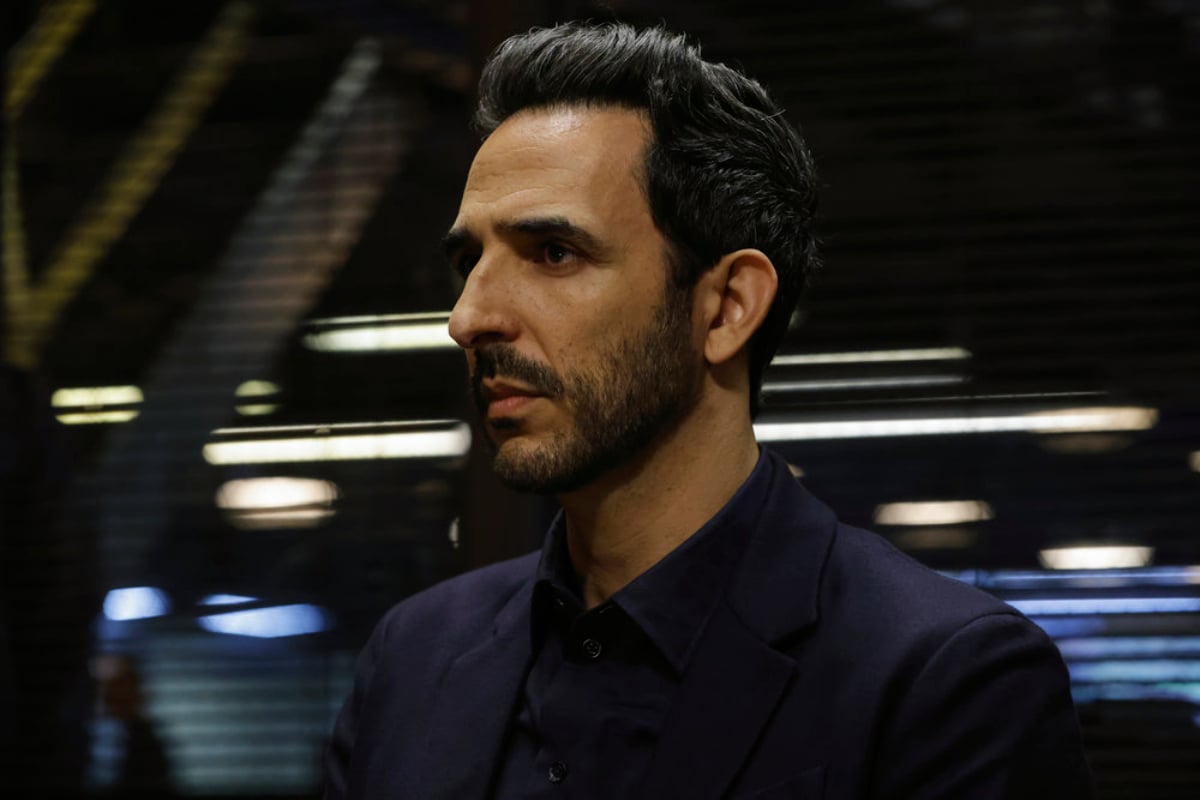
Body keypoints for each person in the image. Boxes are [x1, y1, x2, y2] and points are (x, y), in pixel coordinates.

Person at [325, 21, 1092, 799]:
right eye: (469, 260)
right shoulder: (412, 659)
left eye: (554, 253)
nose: (468, 317)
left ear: (726, 307)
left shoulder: (940, 682)